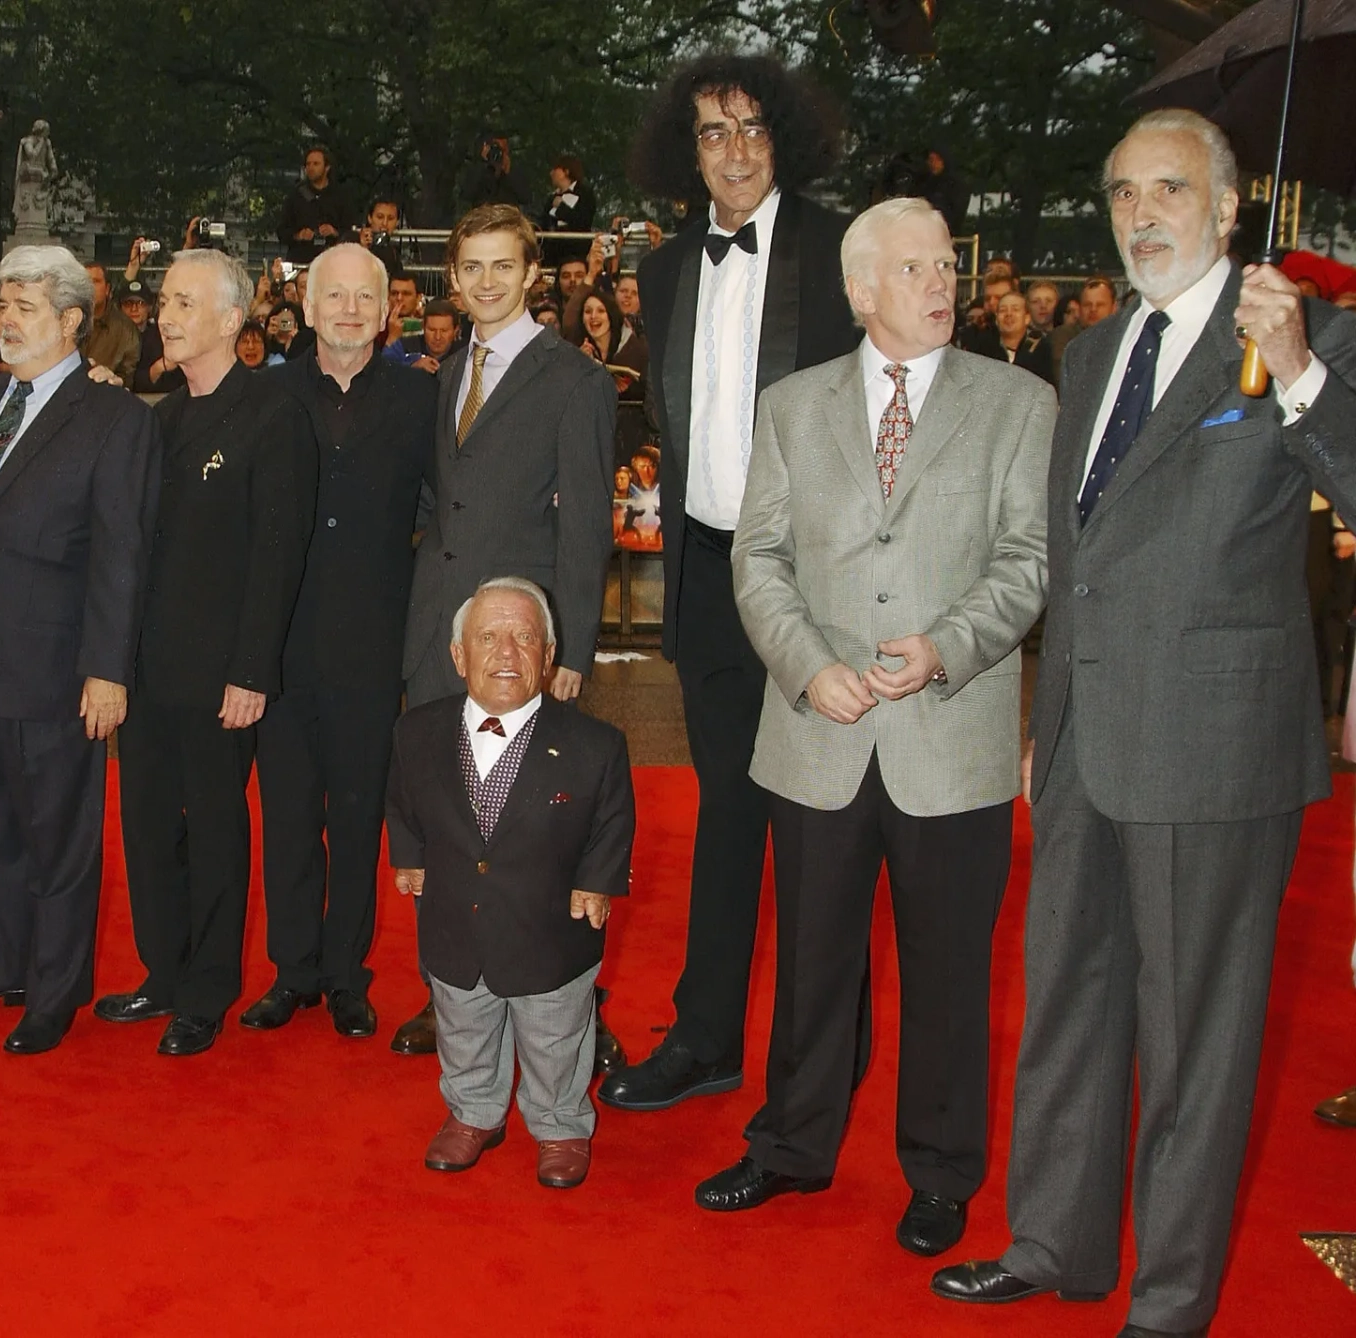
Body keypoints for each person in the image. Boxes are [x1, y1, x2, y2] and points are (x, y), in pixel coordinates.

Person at [931, 109, 1356, 1337]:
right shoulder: (1092, 353)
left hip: (1213, 749)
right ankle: (1054, 1243)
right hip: (1082, 738)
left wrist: (1302, 372)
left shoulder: (1301, 334)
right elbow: (1080, 560)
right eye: (1122, 192)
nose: (1141, 214)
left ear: (1228, 208)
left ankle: (1169, 1301)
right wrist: (1045, 718)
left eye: (1170, 188)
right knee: (1067, 1002)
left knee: (1193, 1043)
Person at [706, 198, 1052, 1261]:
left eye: (946, 265)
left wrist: (947, 645)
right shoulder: (791, 406)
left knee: (949, 974)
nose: (942, 282)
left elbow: (1031, 559)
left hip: (951, 733)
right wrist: (807, 668)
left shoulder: (1019, 402)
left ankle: (941, 1173)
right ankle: (793, 1145)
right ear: (860, 290)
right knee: (812, 963)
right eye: (913, 268)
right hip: (818, 733)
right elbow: (758, 558)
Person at [602, 52, 862, 1115]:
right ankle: (705, 1038)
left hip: (816, 586)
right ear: (688, 151)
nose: (737, 150)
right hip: (708, 578)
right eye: (714, 131)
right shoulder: (666, 269)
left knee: (821, 830)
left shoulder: (842, 249)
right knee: (726, 815)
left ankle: (817, 1066)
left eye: (753, 127)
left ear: (783, 138)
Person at [392, 202, 617, 1058]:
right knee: (448, 818)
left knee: (532, 830)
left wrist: (572, 648)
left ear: (531, 274)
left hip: (522, 641)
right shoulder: (448, 373)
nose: (486, 282)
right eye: (471, 267)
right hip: (438, 631)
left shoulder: (576, 381)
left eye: (502, 266)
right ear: (452, 279)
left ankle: (559, 1003)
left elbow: (586, 526)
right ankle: (450, 994)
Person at [0, 246, 161, 1055]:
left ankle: (56, 993)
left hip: (58, 668)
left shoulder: (116, 418)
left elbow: (121, 552)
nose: (6, 320)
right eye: (3, 304)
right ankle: (2, 967)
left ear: (70, 321)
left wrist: (107, 669)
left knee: (60, 840)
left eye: (24, 308)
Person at [99, 248, 318, 1056]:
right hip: (148, 670)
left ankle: (207, 990)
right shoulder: (159, 420)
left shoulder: (272, 416)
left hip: (222, 673)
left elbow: (277, 556)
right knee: (149, 825)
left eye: (184, 303)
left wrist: (252, 670)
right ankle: (163, 971)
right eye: (164, 301)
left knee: (217, 829)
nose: (166, 316)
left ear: (232, 320)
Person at [387, 577, 635, 1189]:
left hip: (550, 932)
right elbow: (403, 803)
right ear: (458, 655)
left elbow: (611, 821)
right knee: (463, 1027)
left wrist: (598, 881)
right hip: (456, 924)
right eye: (488, 638)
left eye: (524, 638)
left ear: (548, 657)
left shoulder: (593, 745)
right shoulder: (417, 732)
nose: (505, 652)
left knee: (555, 1039)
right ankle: (473, 1111)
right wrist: (408, 856)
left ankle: (560, 1122)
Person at [246, 243, 434, 1040]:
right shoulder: (267, 393)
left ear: (388, 312)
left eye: (365, 298)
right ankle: (291, 972)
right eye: (335, 296)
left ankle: (346, 977)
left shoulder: (421, 397)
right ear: (308, 307)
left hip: (374, 645)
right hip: (282, 646)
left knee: (359, 819)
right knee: (288, 817)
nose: (350, 311)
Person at [278, 145, 352, 266]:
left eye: (316, 164)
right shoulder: (295, 195)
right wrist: (299, 235)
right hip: (301, 261)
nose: (311, 168)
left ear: (327, 167)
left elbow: (352, 231)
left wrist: (334, 232)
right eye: (308, 164)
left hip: (332, 262)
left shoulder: (341, 196)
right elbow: (282, 231)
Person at [80, 260, 141, 384]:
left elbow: (128, 375)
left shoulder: (125, 329)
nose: (89, 287)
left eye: (95, 281)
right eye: (84, 282)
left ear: (107, 289)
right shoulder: (65, 322)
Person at [976, 290, 1054, 386]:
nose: (1009, 314)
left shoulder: (1041, 349)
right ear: (996, 319)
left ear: (1027, 318)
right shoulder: (983, 350)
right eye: (1003, 310)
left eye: (1015, 309)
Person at [573, 291, 648, 384]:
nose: (593, 316)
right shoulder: (575, 350)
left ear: (611, 315)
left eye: (601, 311)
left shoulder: (637, 350)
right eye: (588, 311)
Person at [541, 154, 596, 267]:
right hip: (553, 254)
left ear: (566, 171)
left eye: (555, 169)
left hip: (576, 251)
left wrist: (561, 207)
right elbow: (544, 223)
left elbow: (583, 220)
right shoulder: (552, 197)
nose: (551, 173)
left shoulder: (585, 194)